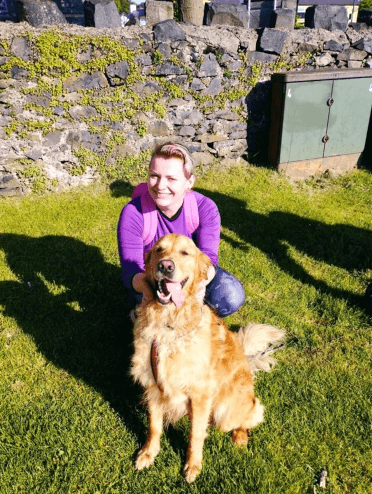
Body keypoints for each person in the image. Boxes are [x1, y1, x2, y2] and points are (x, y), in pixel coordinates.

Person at [117, 141, 245, 319]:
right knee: (153, 317)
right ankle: (142, 312)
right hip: (153, 279)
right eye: (154, 176)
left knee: (230, 295)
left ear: (189, 182)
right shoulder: (133, 213)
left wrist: (196, 290)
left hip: (190, 277)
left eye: (171, 178)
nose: (160, 186)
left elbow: (209, 259)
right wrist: (155, 292)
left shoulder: (205, 208)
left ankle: (197, 320)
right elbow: (131, 270)